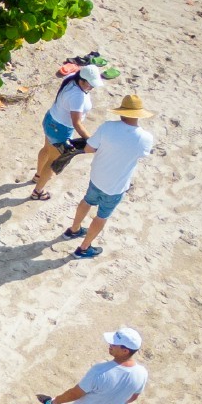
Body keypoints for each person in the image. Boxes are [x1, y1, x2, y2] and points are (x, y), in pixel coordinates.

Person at [62, 94, 156, 259]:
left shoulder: (107, 127)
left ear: (121, 112)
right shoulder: (146, 138)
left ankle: (73, 230)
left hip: (97, 176)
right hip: (116, 186)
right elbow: (142, 155)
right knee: (101, 216)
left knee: (87, 200)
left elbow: (90, 148)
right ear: (139, 115)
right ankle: (83, 248)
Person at [30, 63, 103, 200]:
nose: (91, 87)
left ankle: (38, 175)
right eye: (90, 84)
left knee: (46, 149)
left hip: (50, 119)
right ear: (81, 80)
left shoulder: (70, 78)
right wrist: (90, 140)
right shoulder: (78, 97)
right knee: (53, 162)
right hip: (60, 130)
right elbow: (77, 123)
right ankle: (38, 191)